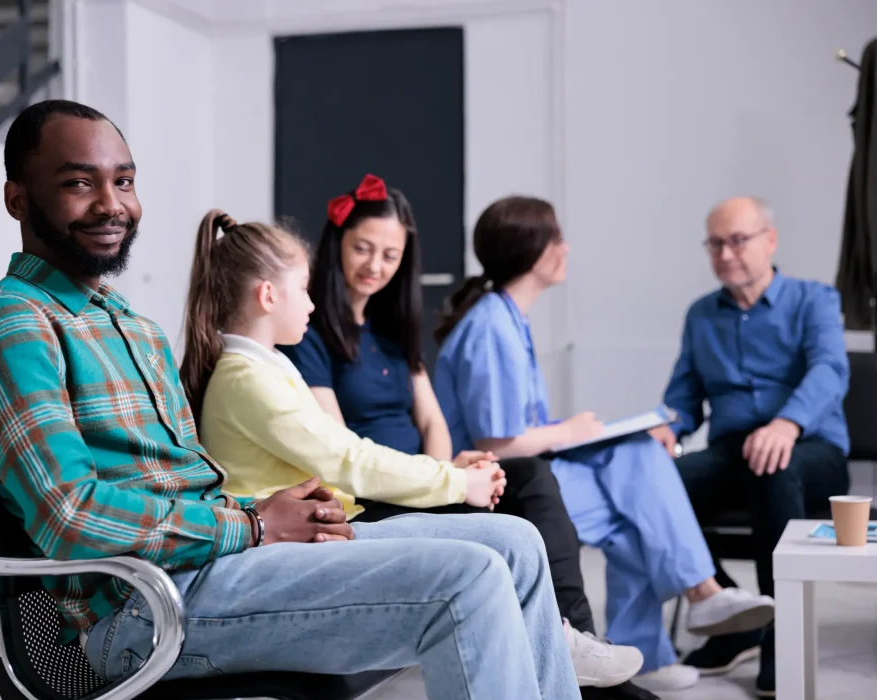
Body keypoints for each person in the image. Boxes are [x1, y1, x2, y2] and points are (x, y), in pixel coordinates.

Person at [0, 99, 580, 700]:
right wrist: (252, 525)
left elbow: (187, 489)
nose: (112, 204)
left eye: (125, 181)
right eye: (80, 183)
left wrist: (269, 513)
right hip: (147, 610)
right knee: (469, 579)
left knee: (515, 543)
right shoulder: (18, 323)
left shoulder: (131, 326)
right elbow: (71, 517)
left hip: (217, 565)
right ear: (17, 199)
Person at [278, 174, 651, 698]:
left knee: (528, 476)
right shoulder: (310, 333)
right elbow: (342, 449)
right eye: (362, 248)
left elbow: (432, 421)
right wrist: (438, 481)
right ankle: (581, 658)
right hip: (373, 495)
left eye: (390, 255)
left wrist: (444, 472)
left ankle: (578, 640)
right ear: (337, 243)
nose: (375, 265)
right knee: (517, 499)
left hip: (421, 482)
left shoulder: (391, 330)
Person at [432, 195, 777, 693]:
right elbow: (497, 442)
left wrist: (576, 430)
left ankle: (656, 643)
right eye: (557, 238)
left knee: (634, 489)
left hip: (524, 472)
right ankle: (701, 595)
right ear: (531, 250)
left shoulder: (508, 318)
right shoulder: (491, 327)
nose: (566, 248)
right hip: (496, 485)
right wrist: (572, 431)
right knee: (634, 490)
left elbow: (519, 427)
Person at [649, 196, 850, 698]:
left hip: (811, 447)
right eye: (715, 243)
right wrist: (667, 427)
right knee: (654, 483)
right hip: (732, 450)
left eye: (738, 241)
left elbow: (830, 370)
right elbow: (683, 396)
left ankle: (782, 634)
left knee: (772, 467)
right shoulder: (702, 315)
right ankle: (736, 618)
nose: (725, 254)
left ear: (770, 240)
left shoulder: (814, 300)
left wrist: (787, 423)